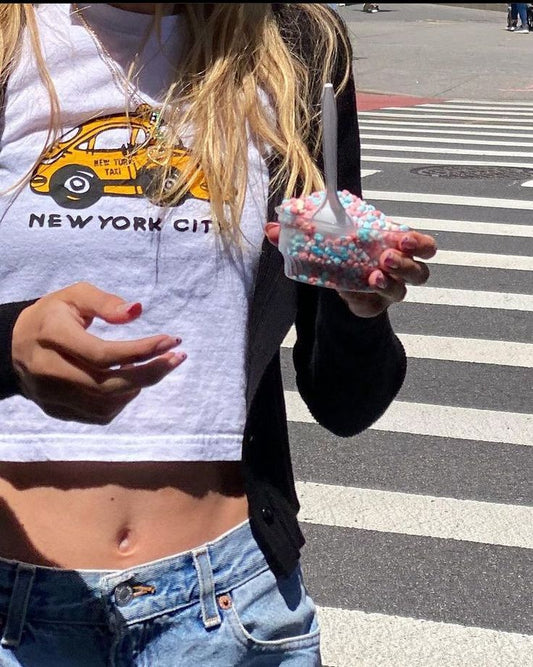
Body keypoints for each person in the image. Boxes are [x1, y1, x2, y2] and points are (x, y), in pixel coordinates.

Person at [0, 3, 436, 665]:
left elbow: (346, 403)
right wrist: (10, 345)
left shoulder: (295, 45)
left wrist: (359, 307)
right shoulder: (13, 37)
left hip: (230, 608)